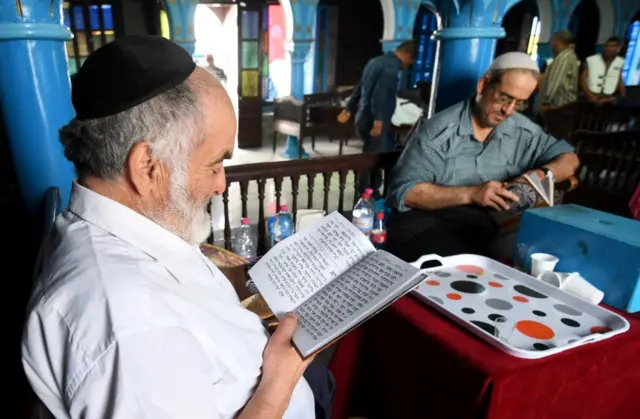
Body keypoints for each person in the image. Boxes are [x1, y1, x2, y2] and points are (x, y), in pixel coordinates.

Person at [22, 35, 331, 418]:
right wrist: (281, 378)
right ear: (147, 167)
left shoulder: (121, 225)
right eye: (215, 163)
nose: (221, 183)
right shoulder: (131, 323)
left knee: (322, 382)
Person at [385, 52, 580, 263]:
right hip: (431, 221)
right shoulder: (439, 131)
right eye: (504, 98)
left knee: (559, 254)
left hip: (491, 226)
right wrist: (472, 194)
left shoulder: (524, 130)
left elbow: (569, 159)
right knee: (460, 265)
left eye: (519, 103)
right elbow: (405, 193)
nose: (508, 110)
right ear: (483, 85)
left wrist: (542, 173)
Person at [337, 41, 416, 197]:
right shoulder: (391, 66)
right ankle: (368, 194)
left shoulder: (375, 62)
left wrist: (348, 109)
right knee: (375, 159)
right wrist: (379, 120)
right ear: (408, 56)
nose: (408, 65)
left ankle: (369, 191)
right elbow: (382, 93)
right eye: (410, 62)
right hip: (374, 120)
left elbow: (360, 87)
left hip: (363, 118)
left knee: (371, 155)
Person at [539, 30, 580, 113]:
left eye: (553, 40)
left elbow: (555, 81)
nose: (551, 44)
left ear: (557, 42)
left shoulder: (563, 58)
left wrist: (546, 102)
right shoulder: (569, 56)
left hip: (558, 106)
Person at [580, 37, 626, 103]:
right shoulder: (592, 60)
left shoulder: (620, 62)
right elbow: (582, 80)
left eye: (612, 46)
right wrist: (590, 96)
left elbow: (619, 80)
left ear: (618, 49)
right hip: (590, 96)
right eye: (607, 46)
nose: (608, 48)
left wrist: (622, 97)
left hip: (608, 98)